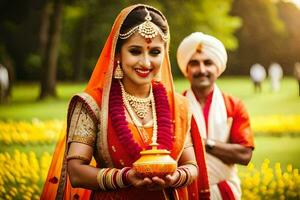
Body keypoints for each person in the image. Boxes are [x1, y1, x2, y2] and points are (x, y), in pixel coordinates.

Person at [41, 4, 208, 200]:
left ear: (165, 54)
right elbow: (76, 172)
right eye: (135, 51)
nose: (146, 62)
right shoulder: (93, 104)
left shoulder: (177, 105)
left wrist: (175, 177)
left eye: (155, 52)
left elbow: (191, 166)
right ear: (118, 54)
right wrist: (125, 177)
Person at [177, 32, 255, 200]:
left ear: (217, 69)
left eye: (208, 63)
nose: (202, 70)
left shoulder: (234, 105)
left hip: (225, 191)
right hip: (187, 191)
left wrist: (201, 142)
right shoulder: (175, 107)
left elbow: (245, 155)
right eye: (195, 63)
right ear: (186, 70)